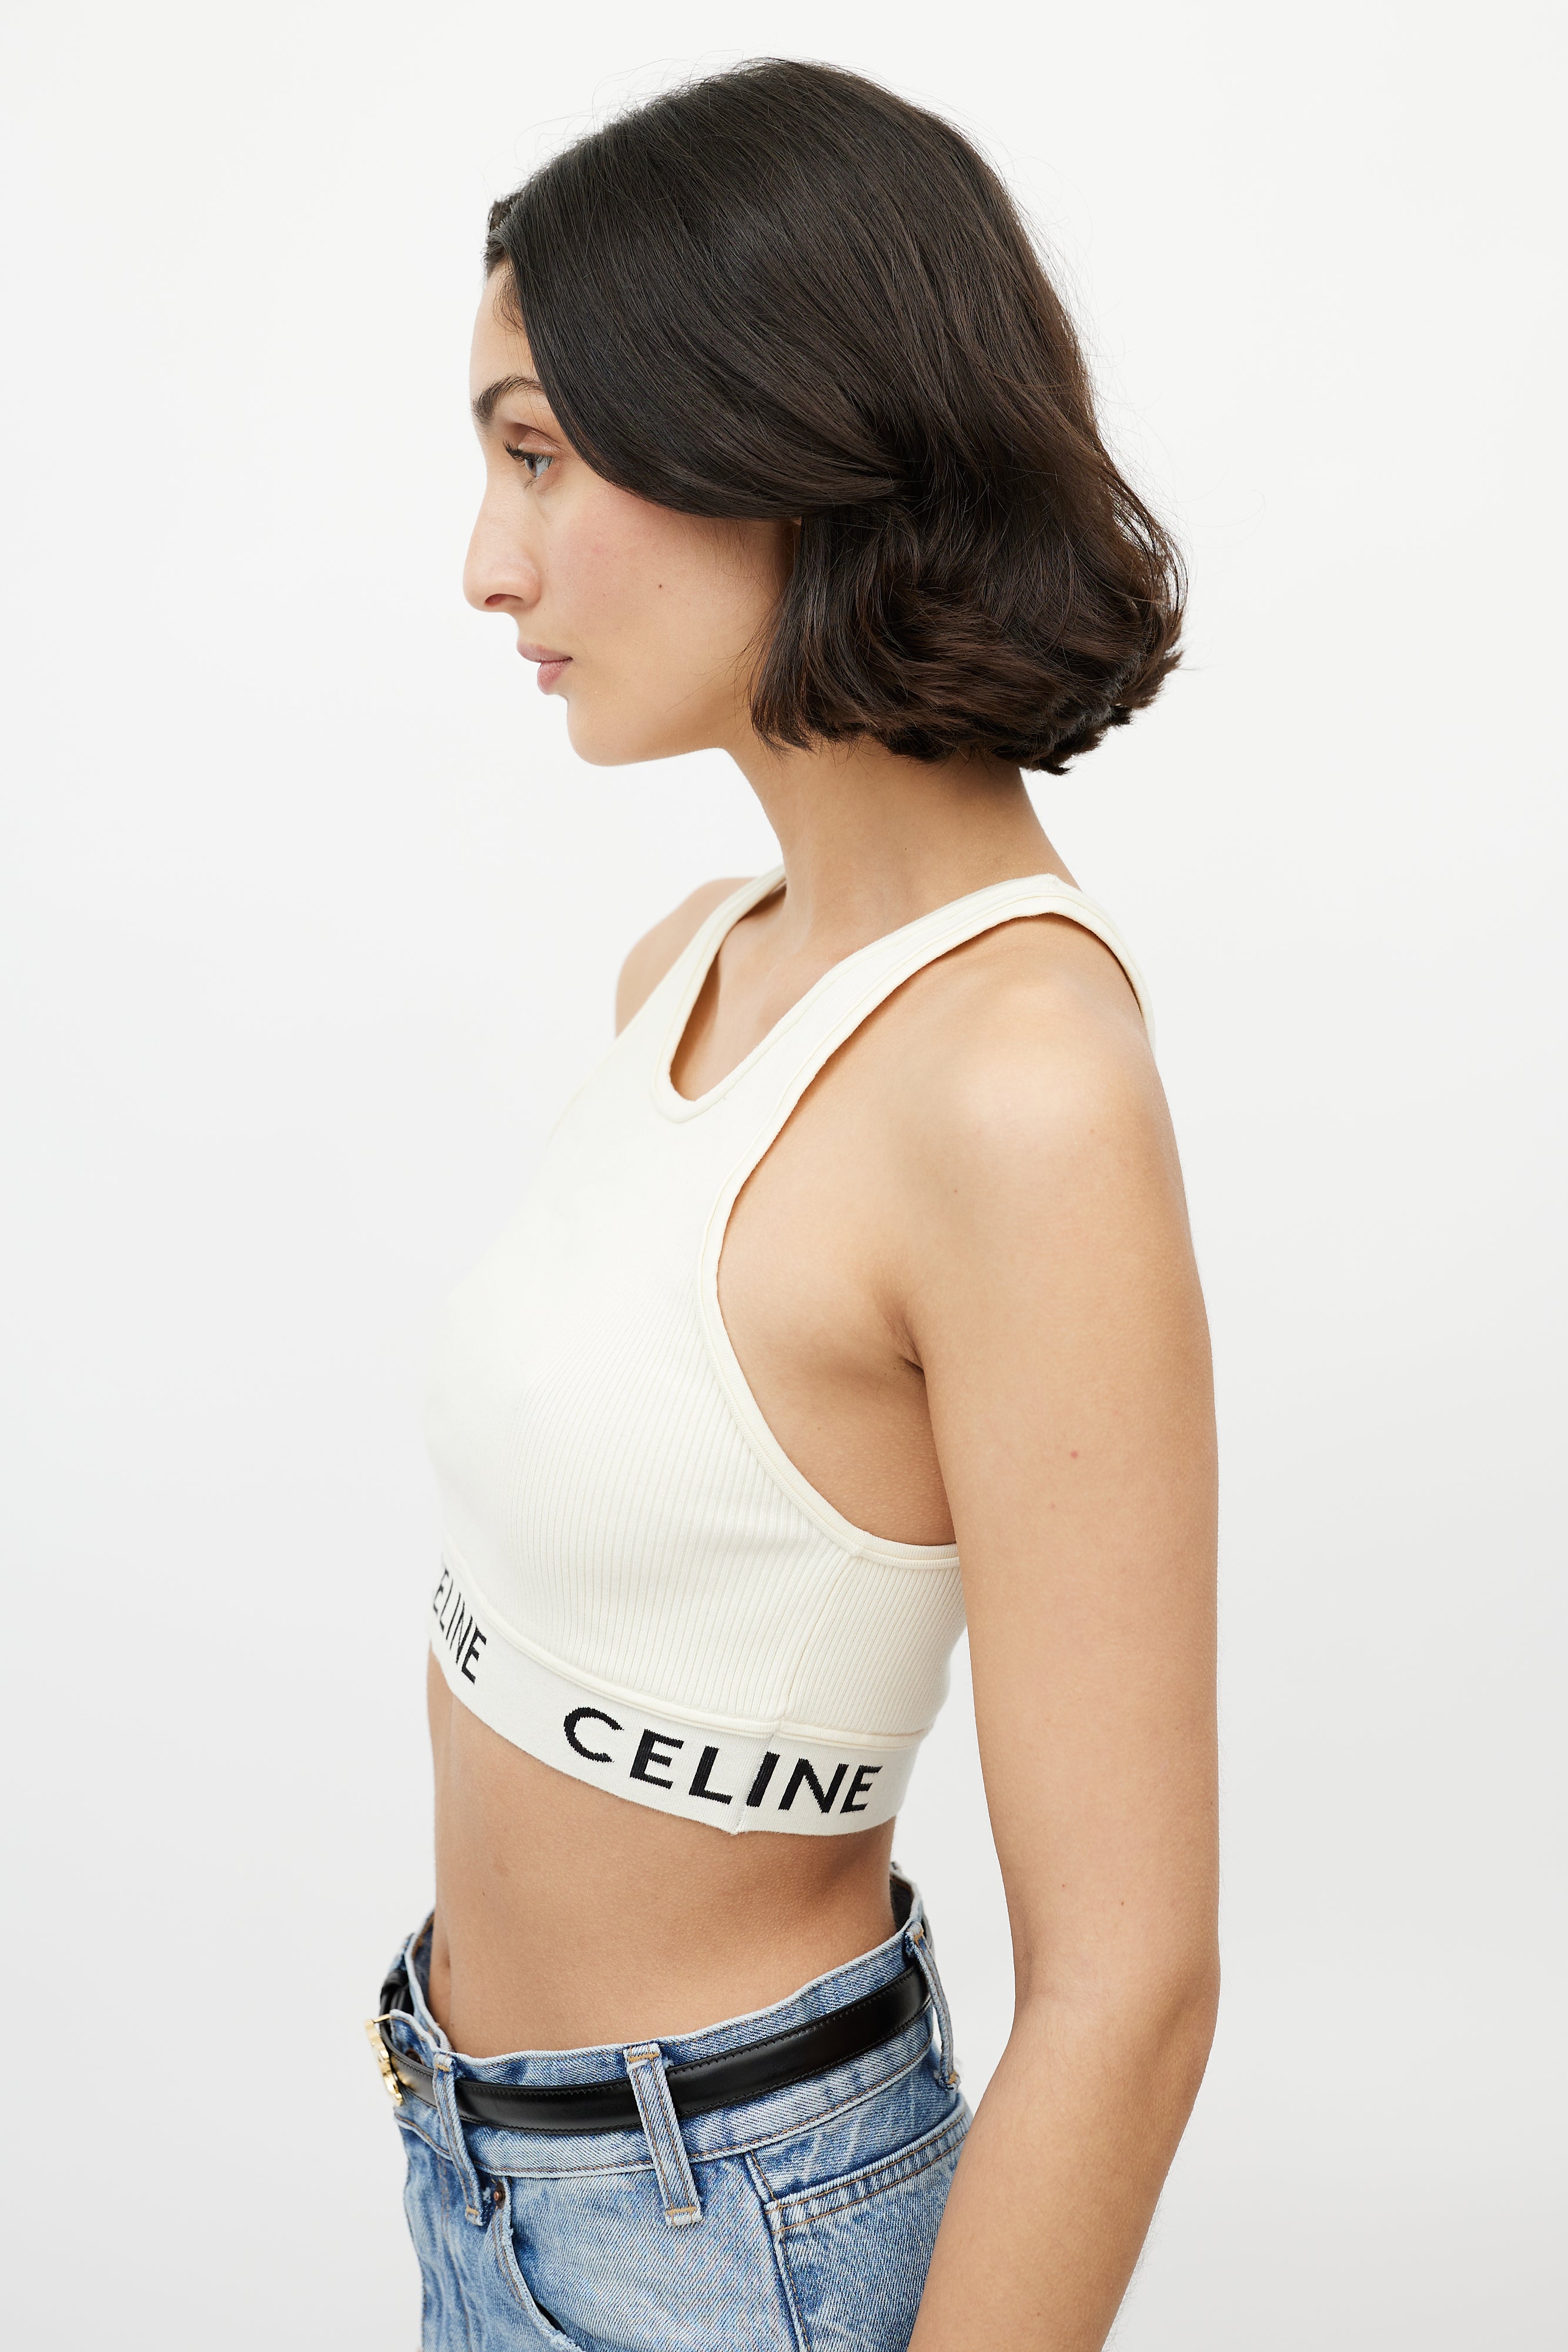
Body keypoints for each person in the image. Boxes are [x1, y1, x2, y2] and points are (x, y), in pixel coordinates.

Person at [369, 56, 1219, 2352]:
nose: (488, 563)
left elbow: (1130, 1982)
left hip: (734, 2242)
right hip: (482, 2166)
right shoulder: (692, 965)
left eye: (538, 454)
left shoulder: (1018, 1084)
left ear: (776, 431)